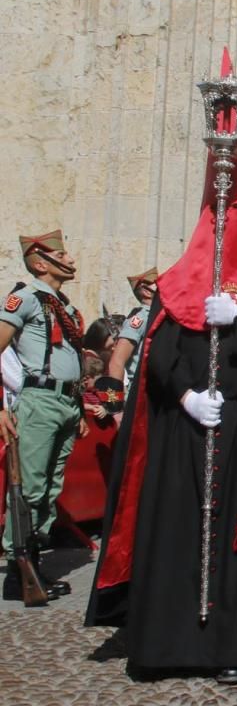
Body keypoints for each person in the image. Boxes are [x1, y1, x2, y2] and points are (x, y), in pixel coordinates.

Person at [86, 104, 237, 684]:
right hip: (186, 430)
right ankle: (168, 642)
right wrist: (184, 395)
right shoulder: (180, 281)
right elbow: (158, 352)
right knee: (179, 534)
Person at [1, 229, 86, 604]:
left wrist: (78, 406)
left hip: (65, 403)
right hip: (38, 399)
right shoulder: (25, 299)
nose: (70, 260)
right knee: (30, 489)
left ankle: (34, 563)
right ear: (40, 263)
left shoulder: (63, 306)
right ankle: (20, 572)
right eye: (61, 255)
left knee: (50, 490)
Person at [94, 268, 158, 420]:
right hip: (141, 393)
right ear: (146, 291)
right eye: (158, 284)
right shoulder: (140, 319)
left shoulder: (158, 317)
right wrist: (115, 405)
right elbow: (117, 362)